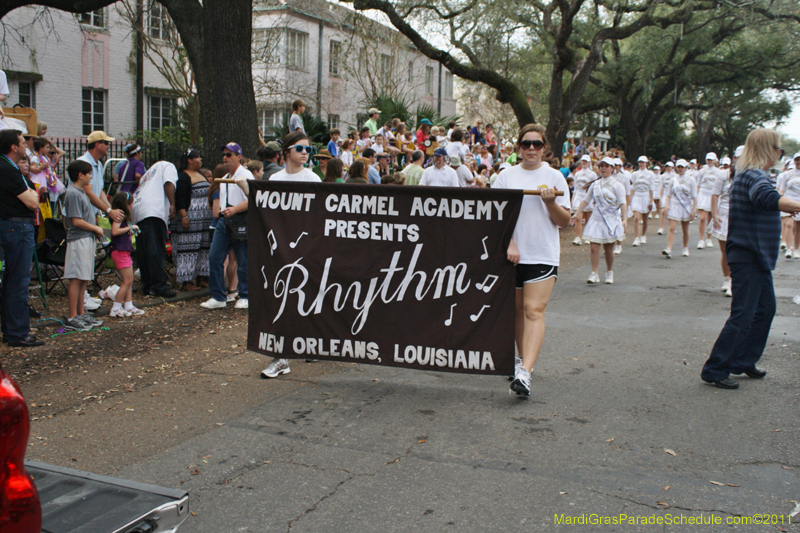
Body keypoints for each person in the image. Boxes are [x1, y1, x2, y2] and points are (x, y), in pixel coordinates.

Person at [701, 129, 800, 389]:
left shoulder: (749, 174)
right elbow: (767, 198)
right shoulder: (754, 176)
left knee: (764, 310)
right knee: (743, 314)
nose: (781, 153)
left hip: (755, 254)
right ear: (770, 149)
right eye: (779, 148)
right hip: (749, 254)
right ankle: (716, 368)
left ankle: (743, 360)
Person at [494, 124, 571, 397]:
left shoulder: (555, 177)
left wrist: (550, 202)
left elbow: (564, 222)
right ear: (518, 147)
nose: (531, 149)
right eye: (526, 144)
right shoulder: (504, 177)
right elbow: (495, 218)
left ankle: (525, 371)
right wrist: (510, 243)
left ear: (545, 148)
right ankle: (521, 361)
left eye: (536, 144)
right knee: (517, 312)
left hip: (542, 253)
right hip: (511, 255)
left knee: (533, 310)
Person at [261, 131, 322, 380]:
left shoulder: (313, 178)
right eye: (300, 148)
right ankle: (281, 357)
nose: (305, 153)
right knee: (281, 298)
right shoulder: (275, 178)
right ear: (286, 152)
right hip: (281, 249)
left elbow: (319, 216)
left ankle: (309, 343)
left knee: (305, 296)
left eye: (308, 149)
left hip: (306, 248)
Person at [0, 129, 44, 346]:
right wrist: (33, 193)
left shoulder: (9, 168)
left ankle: (12, 330)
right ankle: (18, 333)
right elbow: (33, 201)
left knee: (11, 281)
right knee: (18, 281)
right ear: (13, 147)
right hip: (16, 228)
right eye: (22, 142)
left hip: (12, 227)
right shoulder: (8, 169)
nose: (26, 145)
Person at [201, 143, 253, 310]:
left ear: (239, 156)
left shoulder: (246, 175)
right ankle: (218, 296)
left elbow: (253, 198)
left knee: (242, 259)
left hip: (241, 220)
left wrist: (236, 209)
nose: (225, 158)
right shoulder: (223, 179)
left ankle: (245, 295)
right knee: (215, 257)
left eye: (229, 155)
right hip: (225, 221)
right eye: (224, 154)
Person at [62, 160, 105, 332]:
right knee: (77, 277)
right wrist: (96, 228)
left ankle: (80, 313)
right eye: (88, 174)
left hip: (86, 239)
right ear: (80, 175)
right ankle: (72, 315)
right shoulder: (73, 193)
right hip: (79, 239)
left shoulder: (80, 192)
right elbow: (76, 220)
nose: (90, 177)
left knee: (83, 277)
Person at [571, 156, 627, 284]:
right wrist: (576, 213)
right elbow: (586, 200)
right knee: (594, 248)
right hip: (596, 219)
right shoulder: (595, 184)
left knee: (608, 250)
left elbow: (623, 203)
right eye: (601, 166)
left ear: (612, 168)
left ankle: (609, 271)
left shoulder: (618, 185)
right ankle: (594, 273)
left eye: (606, 166)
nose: (603, 168)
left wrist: (624, 219)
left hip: (610, 220)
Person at [132, 160, 178, 298]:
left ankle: (147, 285)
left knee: (143, 251)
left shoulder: (149, 172)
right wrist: (172, 203)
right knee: (155, 250)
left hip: (138, 210)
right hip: (153, 210)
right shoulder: (169, 165)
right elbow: (169, 183)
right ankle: (159, 286)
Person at [172, 149, 212, 292]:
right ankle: (187, 280)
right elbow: (180, 198)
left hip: (204, 221)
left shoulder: (200, 174)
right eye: (198, 158)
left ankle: (202, 277)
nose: (200, 160)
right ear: (189, 160)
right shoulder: (183, 176)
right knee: (188, 249)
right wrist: (184, 216)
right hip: (190, 219)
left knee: (204, 248)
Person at [108, 192, 145, 317]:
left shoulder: (124, 217)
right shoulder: (120, 216)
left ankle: (128, 305)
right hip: (120, 251)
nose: (132, 205)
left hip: (124, 251)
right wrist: (129, 228)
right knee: (126, 280)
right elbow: (114, 231)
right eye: (131, 203)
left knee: (129, 280)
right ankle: (116, 307)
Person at [661, 159, 697, 258]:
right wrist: (666, 205)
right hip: (674, 205)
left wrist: (694, 210)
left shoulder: (691, 180)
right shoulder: (673, 180)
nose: (680, 169)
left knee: (685, 229)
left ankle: (685, 248)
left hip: (685, 206)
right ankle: (668, 249)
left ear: (686, 168)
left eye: (682, 167)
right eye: (679, 167)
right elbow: (668, 195)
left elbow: (694, 196)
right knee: (672, 228)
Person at [709, 161, 733, 297]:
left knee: (737, 251)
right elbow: (714, 195)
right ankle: (727, 278)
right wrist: (715, 214)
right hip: (724, 215)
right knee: (725, 251)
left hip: (740, 216)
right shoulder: (723, 174)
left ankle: (735, 281)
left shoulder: (749, 174)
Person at [777, 152, 800, 259]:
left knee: (798, 228)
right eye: (797, 160)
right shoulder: (787, 174)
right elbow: (782, 189)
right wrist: (778, 202)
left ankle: (796, 249)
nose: (799, 162)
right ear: (794, 161)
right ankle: (789, 249)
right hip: (789, 202)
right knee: (789, 224)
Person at [29, 136, 65, 204]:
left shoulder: (46, 157)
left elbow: (49, 168)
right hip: (42, 180)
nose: (49, 149)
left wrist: (55, 164)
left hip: (49, 179)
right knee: (45, 199)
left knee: (52, 198)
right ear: (40, 148)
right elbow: (34, 169)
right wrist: (43, 166)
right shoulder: (35, 157)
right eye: (47, 147)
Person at [695, 153, 720, 249]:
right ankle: (701, 240)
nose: (709, 161)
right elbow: (698, 184)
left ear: (715, 160)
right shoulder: (702, 171)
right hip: (703, 194)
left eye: (711, 159)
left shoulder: (718, 172)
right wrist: (696, 196)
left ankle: (708, 238)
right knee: (702, 218)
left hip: (712, 196)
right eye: (708, 159)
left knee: (711, 218)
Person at [630, 156, 654, 247]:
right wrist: (630, 200)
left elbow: (651, 188)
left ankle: (643, 235)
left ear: (646, 163)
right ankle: (637, 237)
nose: (641, 164)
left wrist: (651, 201)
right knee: (636, 218)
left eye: (643, 162)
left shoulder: (650, 174)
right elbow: (632, 188)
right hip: (637, 196)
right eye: (640, 162)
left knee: (645, 219)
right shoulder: (635, 174)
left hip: (646, 196)